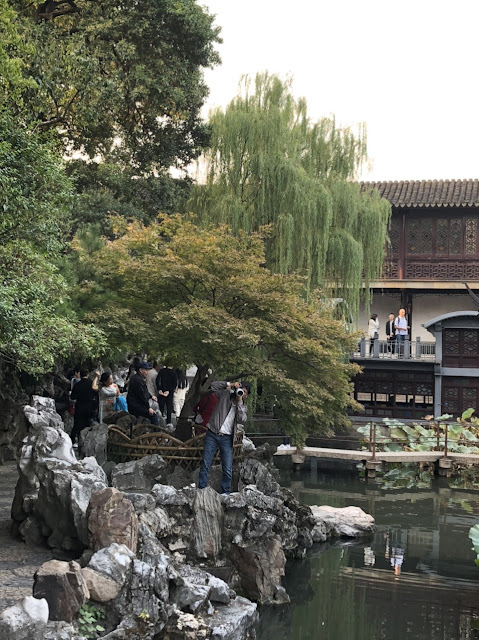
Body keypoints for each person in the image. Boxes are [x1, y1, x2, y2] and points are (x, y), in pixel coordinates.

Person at [198, 380, 251, 494]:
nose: (241, 393)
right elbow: (214, 386)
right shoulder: (225, 395)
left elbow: (242, 419)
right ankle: (201, 490)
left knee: (227, 468)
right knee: (206, 463)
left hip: (227, 438)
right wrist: (230, 384)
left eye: (244, 392)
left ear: (246, 395)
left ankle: (225, 493)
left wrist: (239, 401)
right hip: (213, 433)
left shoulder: (242, 406)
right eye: (240, 390)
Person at [70, 369, 100, 448]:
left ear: (80, 375)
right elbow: (97, 395)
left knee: (77, 424)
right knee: (88, 424)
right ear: (87, 374)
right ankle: (86, 442)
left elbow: (72, 397)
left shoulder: (77, 385)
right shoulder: (92, 383)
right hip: (90, 407)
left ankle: (73, 440)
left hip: (79, 406)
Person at [127, 361, 159, 426]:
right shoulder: (137, 380)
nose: (147, 372)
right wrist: (148, 408)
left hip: (136, 404)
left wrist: (151, 396)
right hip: (135, 406)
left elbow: (145, 392)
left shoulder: (138, 378)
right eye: (146, 370)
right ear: (141, 370)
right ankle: (156, 431)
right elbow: (142, 396)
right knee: (154, 416)